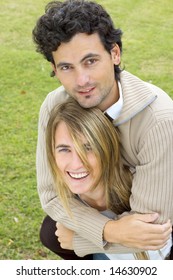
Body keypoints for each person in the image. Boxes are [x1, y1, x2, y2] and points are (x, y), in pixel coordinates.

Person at [32, 0, 173, 259]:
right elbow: (52, 195)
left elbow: (152, 231)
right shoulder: (55, 105)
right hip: (104, 207)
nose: (81, 80)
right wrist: (109, 230)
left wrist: (81, 240)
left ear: (115, 54)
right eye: (66, 67)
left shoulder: (159, 119)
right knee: (52, 232)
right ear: (54, 69)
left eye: (90, 61)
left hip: (161, 211)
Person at [45, 97, 172, 260]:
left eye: (88, 147)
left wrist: (79, 241)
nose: (76, 164)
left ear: (107, 149)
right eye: (64, 149)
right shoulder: (66, 206)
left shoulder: (144, 189)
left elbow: (153, 238)